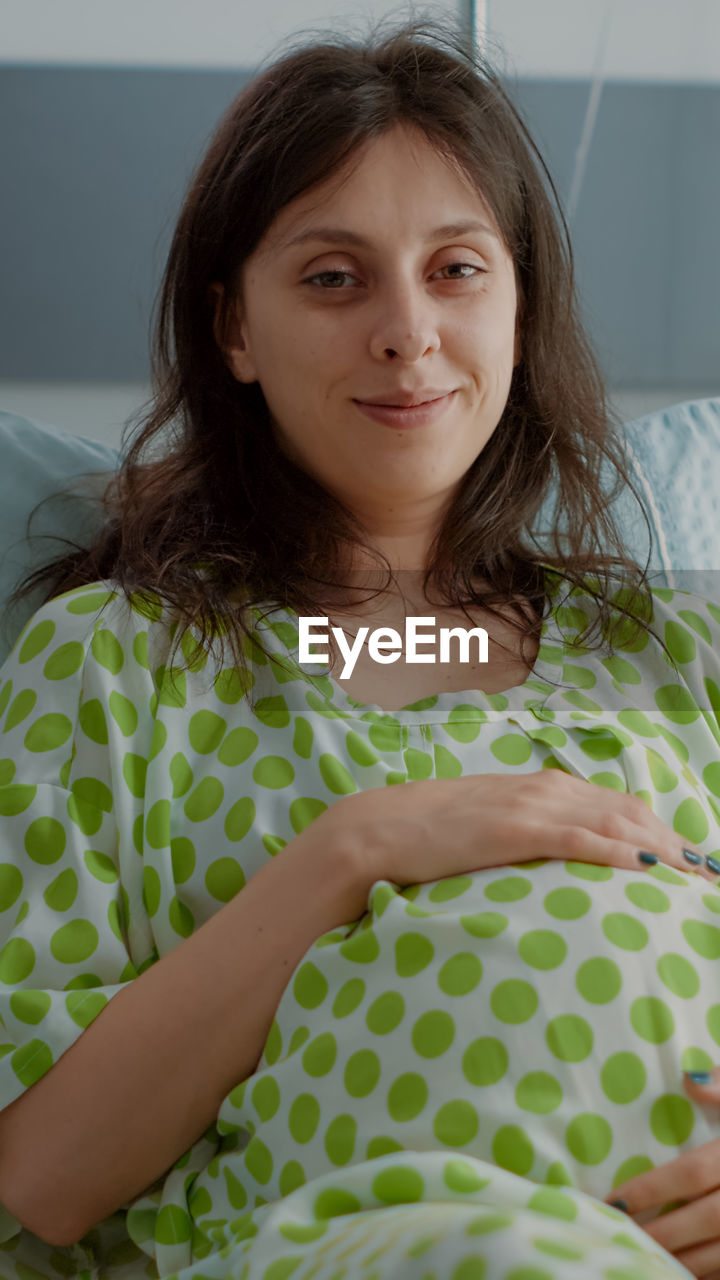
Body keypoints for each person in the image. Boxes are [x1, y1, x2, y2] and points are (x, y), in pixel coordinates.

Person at [1, 16, 720, 1280]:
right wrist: (359, 848)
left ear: (519, 301)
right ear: (233, 330)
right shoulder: (109, 667)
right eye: (335, 278)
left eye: (456, 269)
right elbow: (43, 1173)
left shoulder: (674, 651)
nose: (406, 331)